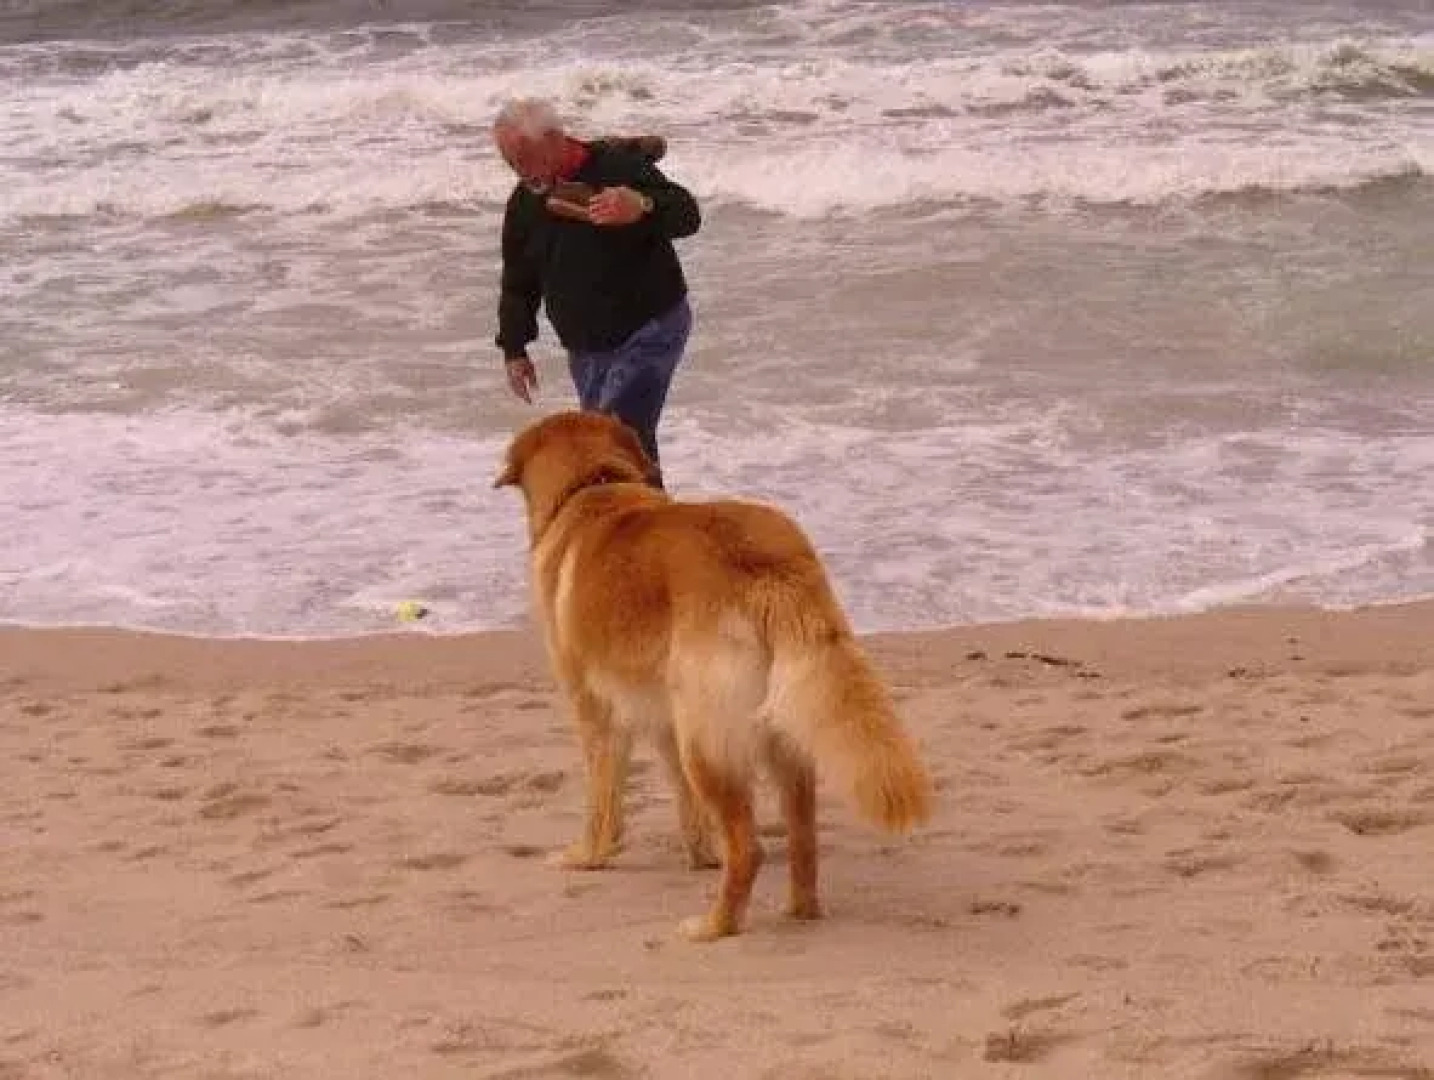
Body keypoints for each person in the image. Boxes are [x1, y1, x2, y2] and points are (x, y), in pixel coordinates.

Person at [491, 97, 702, 489]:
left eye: (524, 158)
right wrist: (514, 348)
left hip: (650, 329)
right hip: (587, 350)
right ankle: (650, 536)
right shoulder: (524, 204)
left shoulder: (615, 168)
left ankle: (637, 538)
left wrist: (642, 205)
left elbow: (688, 214)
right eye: (510, 162)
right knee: (625, 453)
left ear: (554, 139)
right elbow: (519, 279)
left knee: (608, 444)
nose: (520, 171)